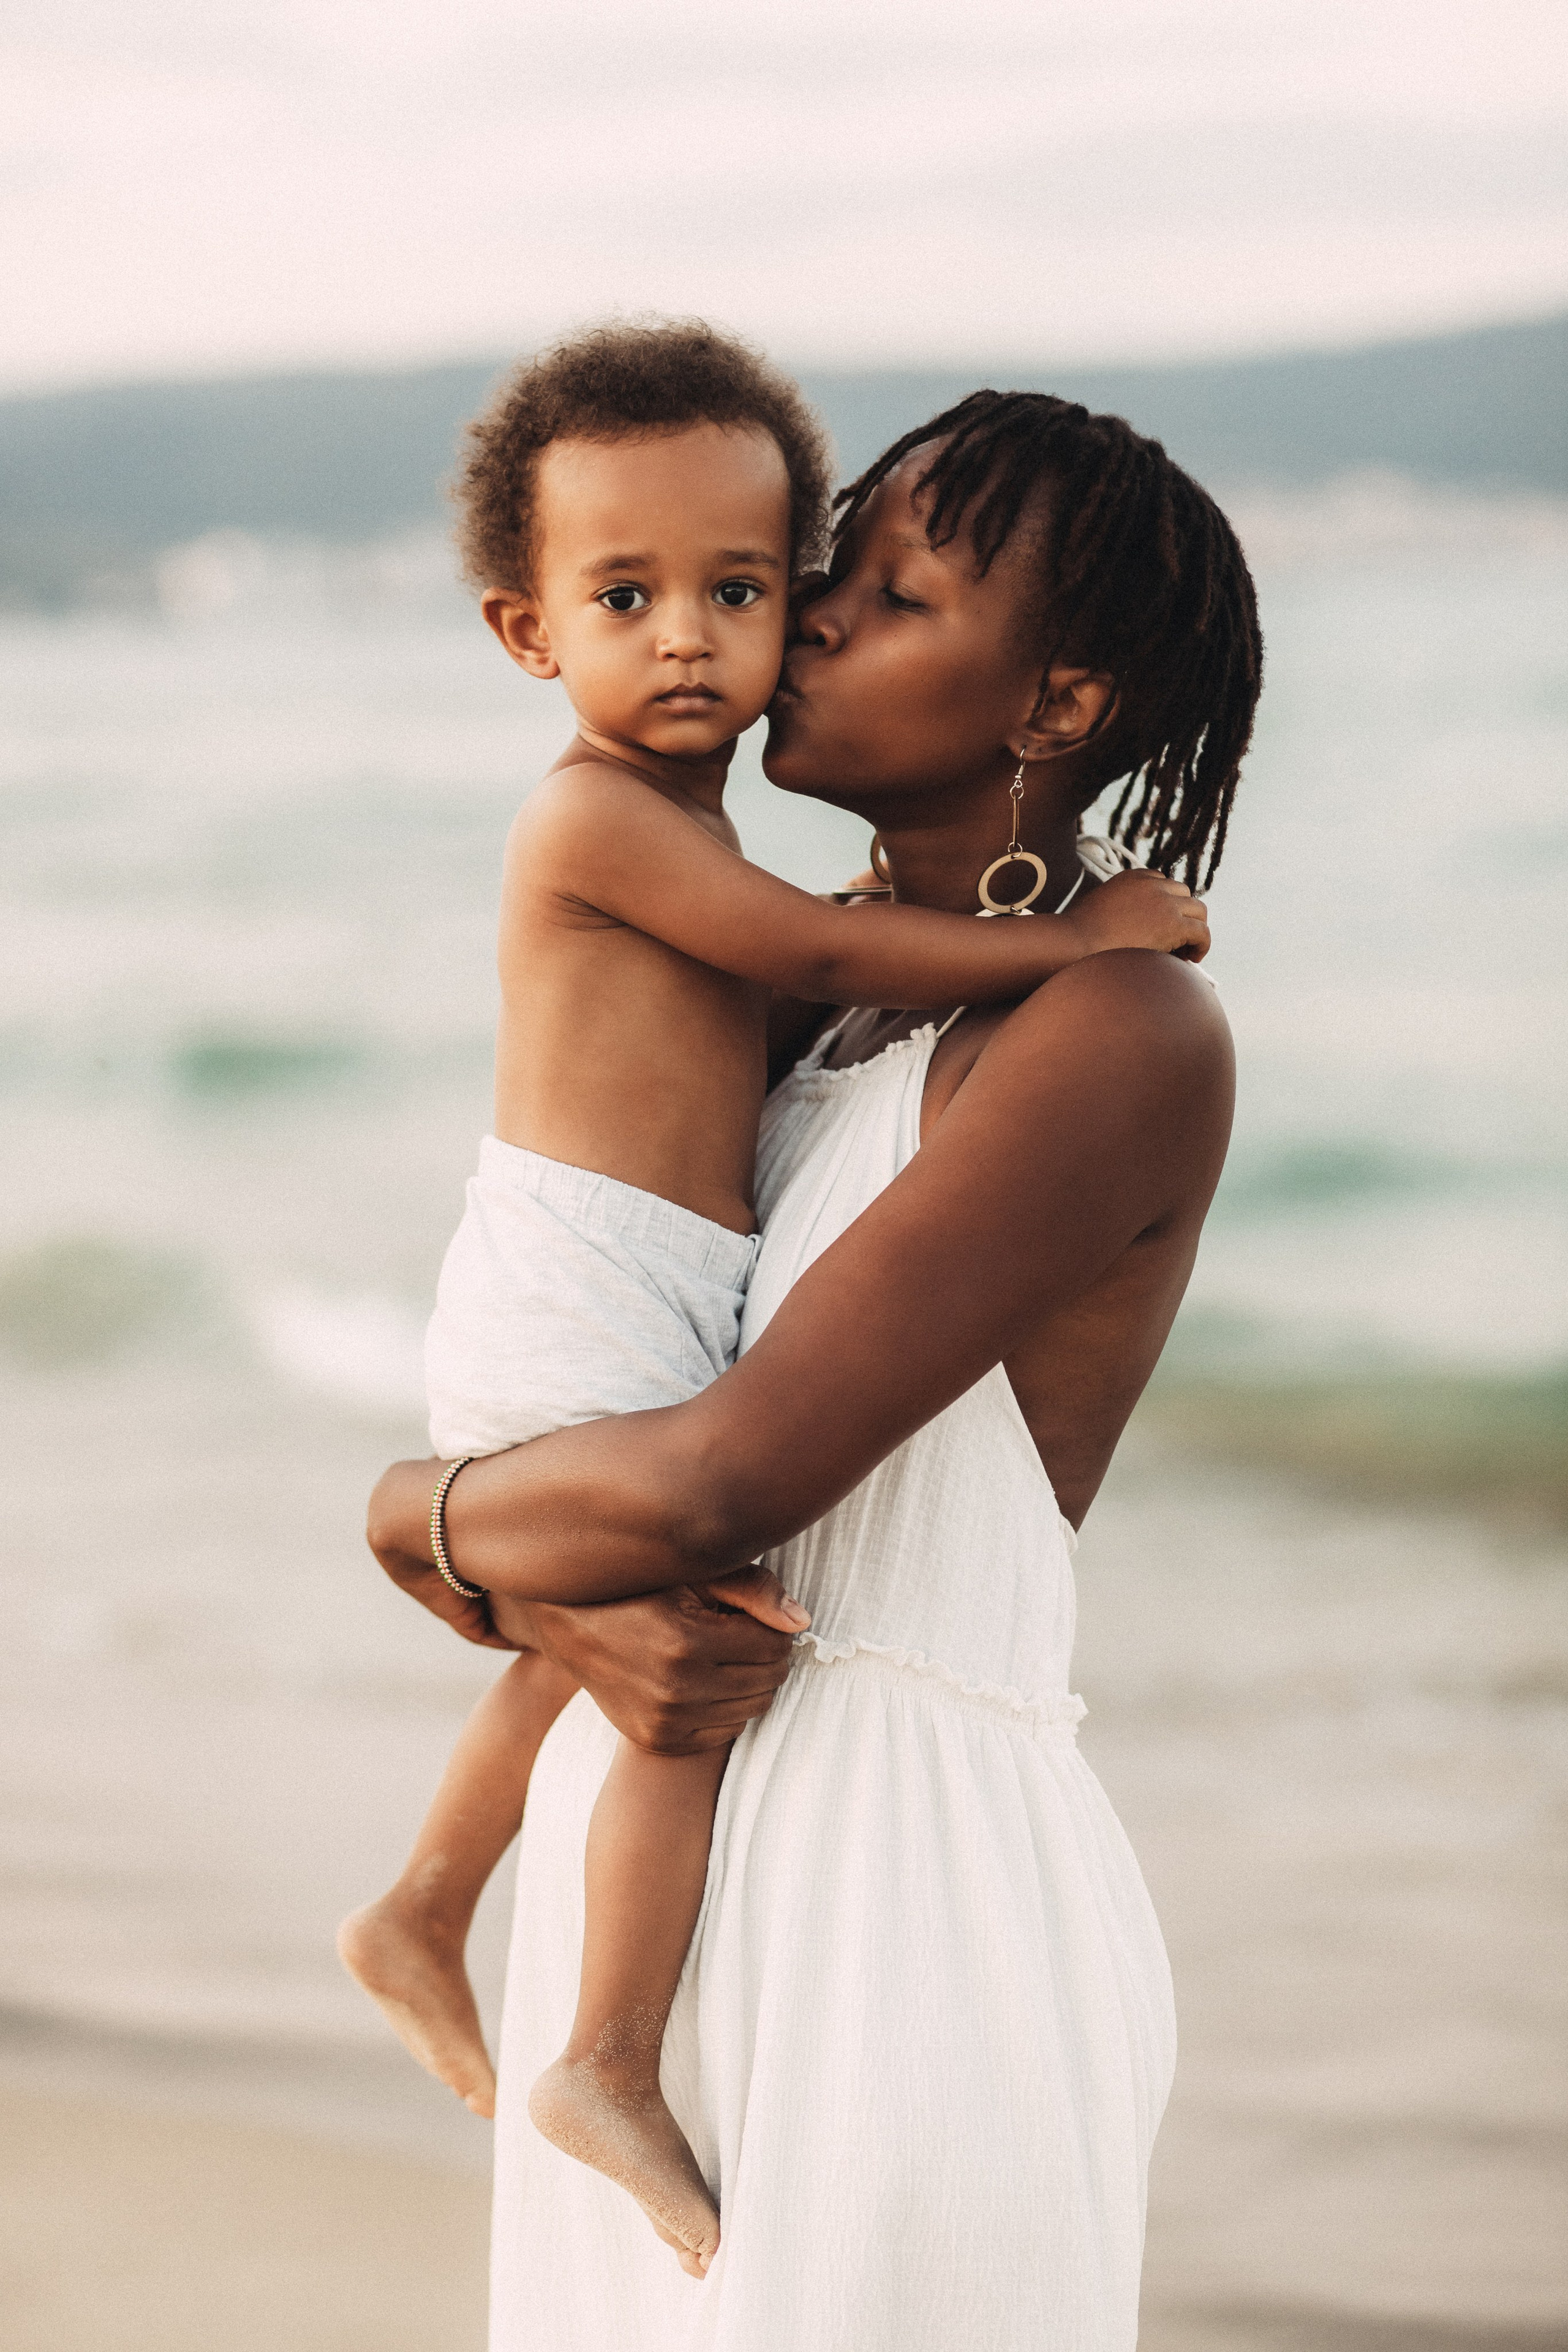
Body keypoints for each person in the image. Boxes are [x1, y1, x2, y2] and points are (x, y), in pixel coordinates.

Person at [366, 383, 1262, 2350]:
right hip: (651, 1869)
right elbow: (600, 1350)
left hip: (896, 1892)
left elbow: (711, 1487)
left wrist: (411, 1517)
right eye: (833, 567)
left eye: (896, 594)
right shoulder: (797, 994)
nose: (818, 616)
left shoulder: (1119, 1035)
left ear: (1057, 704)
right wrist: (504, 1552)